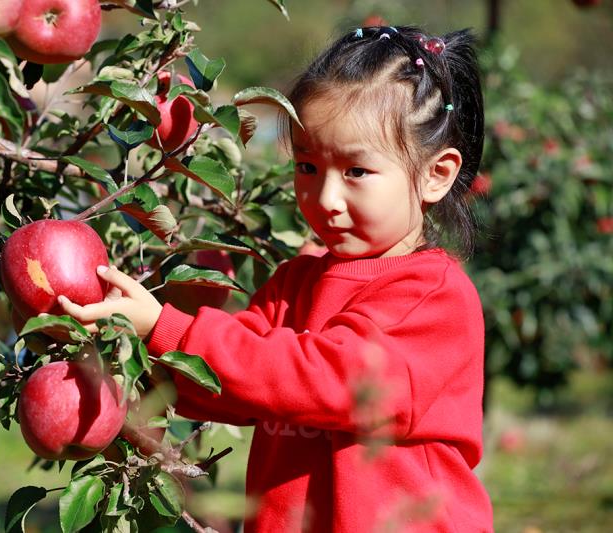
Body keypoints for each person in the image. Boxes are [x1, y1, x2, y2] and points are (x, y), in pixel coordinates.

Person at [58, 25, 493, 533]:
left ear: (435, 175)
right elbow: (227, 383)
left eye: (356, 171)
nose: (324, 197)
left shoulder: (435, 299)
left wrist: (169, 328)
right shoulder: (295, 282)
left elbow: (331, 380)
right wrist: (127, 345)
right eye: (307, 166)